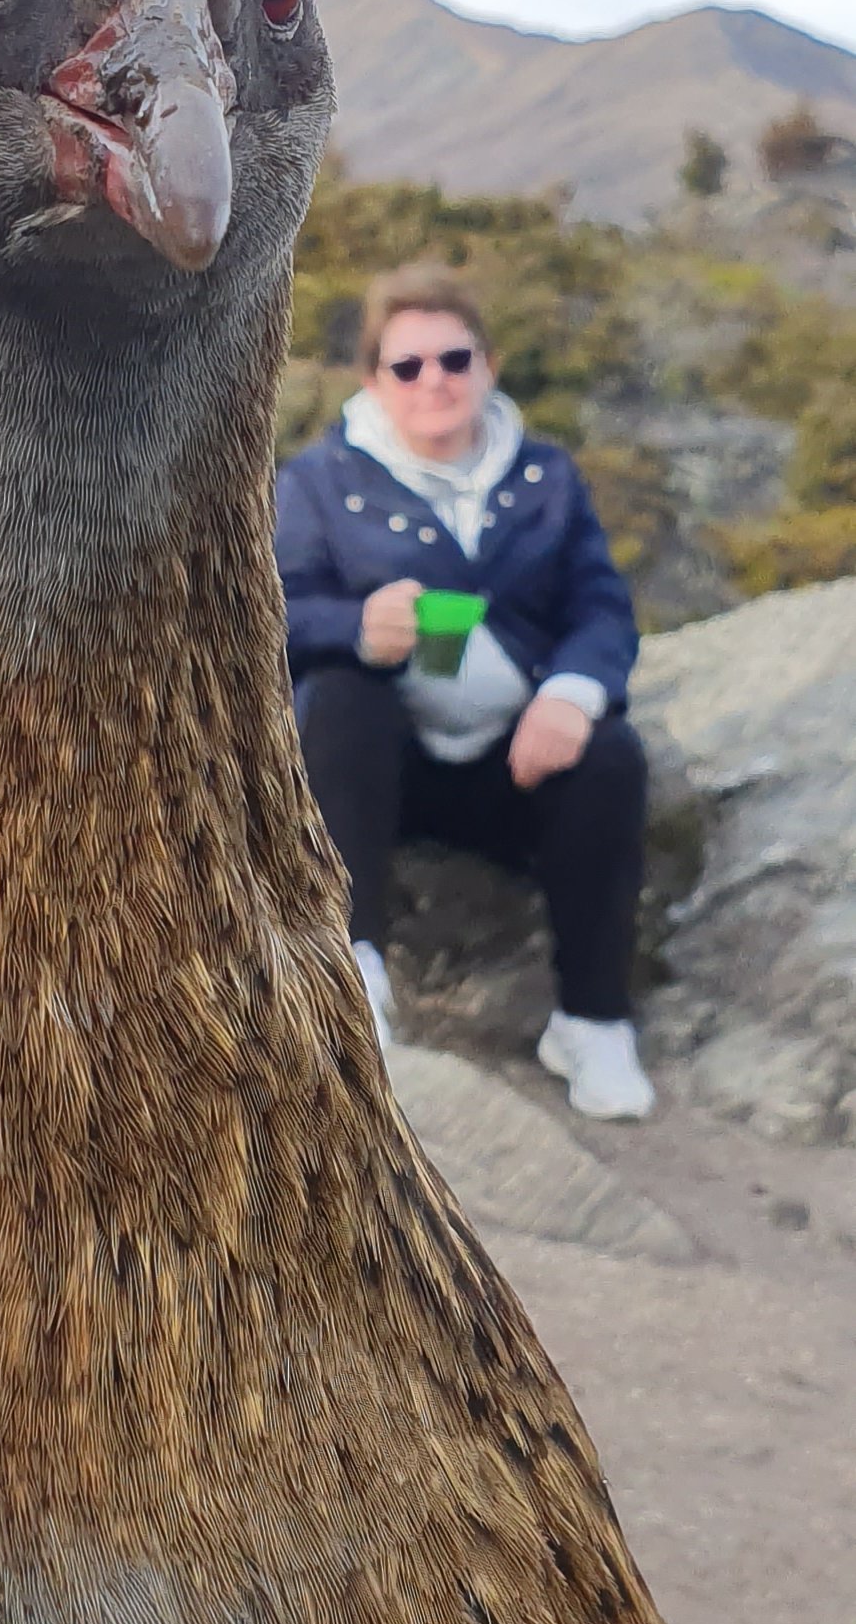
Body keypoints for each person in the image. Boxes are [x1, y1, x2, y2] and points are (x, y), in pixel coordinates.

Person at [275, 258, 654, 1119]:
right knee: (340, 696)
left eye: (454, 360)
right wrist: (354, 626)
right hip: (376, 779)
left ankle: (593, 1019)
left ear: (486, 364)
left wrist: (572, 694)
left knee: (612, 756)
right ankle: (354, 976)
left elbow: (600, 607)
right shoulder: (320, 483)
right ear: (375, 379)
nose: (434, 382)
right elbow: (273, 610)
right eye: (408, 366)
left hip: (509, 769)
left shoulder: (545, 478)